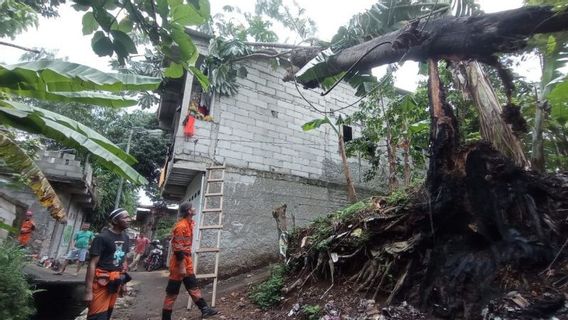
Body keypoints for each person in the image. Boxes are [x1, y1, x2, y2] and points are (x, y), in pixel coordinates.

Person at [161, 202, 217, 320]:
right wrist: (182, 266)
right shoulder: (181, 226)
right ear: (188, 211)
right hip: (178, 262)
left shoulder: (189, 223)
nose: (195, 208)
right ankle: (166, 318)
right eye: (192, 207)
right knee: (172, 292)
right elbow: (177, 248)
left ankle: (205, 309)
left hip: (186, 260)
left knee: (193, 286)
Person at [84, 208, 131, 320]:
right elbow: (92, 264)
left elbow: (123, 260)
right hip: (101, 282)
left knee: (107, 314)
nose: (129, 220)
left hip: (116, 281)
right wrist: (88, 291)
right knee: (97, 316)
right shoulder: (101, 238)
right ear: (115, 221)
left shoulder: (126, 237)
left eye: (129, 217)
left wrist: (124, 284)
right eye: (125, 217)